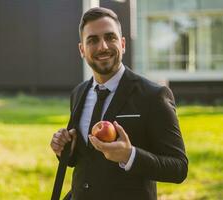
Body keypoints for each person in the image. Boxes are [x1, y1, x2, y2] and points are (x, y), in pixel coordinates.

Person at [50, 7, 188, 200]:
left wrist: (129, 156)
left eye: (110, 37)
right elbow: (84, 159)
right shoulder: (79, 93)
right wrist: (66, 150)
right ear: (82, 49)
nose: (103, 46)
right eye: (93, 40)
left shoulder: (153, 95)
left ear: (122, 44)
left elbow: (178, 168)